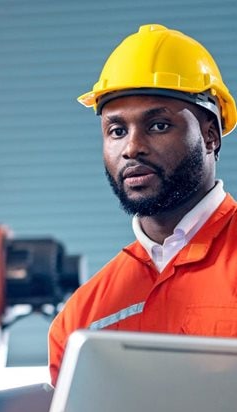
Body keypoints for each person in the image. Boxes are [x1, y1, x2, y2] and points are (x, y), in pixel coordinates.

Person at [48, 23, 237, 385]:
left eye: (159, 126)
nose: (132, 148)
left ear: (210, 135)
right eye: (117, 131)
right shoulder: (82, 316)